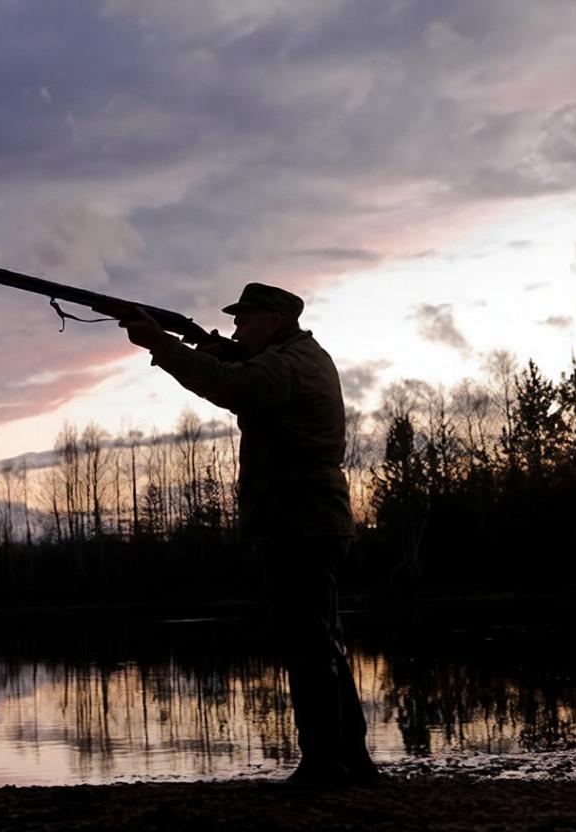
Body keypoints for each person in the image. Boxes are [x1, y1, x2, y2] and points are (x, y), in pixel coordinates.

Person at [119, 283, 378, 787]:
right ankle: (351, 761)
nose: (236, 327)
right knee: (320, 641)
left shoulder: (291, 363)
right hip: (304, 516)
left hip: (299, 518)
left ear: (275, 319)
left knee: (308, 644)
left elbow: (234, 387)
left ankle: (326, 765)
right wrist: (219, 353)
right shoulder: (293, 358)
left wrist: (162, 345)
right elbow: (241, 378)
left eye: (245, 318)